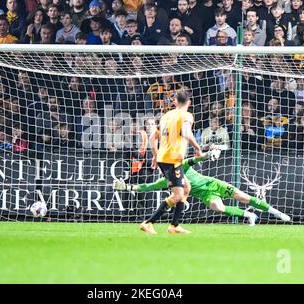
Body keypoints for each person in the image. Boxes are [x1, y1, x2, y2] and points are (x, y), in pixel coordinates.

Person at [114, 151, 291, 231]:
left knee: (244, 197)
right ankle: (249, 216)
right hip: (206, 195)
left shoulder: (180, 166)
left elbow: (192, 159)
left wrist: (207, 155)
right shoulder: (166, 179)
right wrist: (127, 187)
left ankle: (277, 213)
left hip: (213, 184)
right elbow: (147, 187)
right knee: (218, 208)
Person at [142, 90, 202, 234]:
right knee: (177, 195)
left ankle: (174, 225)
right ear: (189, 102)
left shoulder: (166, 116)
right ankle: (149, 222)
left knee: (186, 188)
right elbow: (187, 133)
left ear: (175, 102)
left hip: (164, 157)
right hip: (172, 159)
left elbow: (152, 139)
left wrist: (156, 156)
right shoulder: (186, 115)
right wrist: (198, 148)